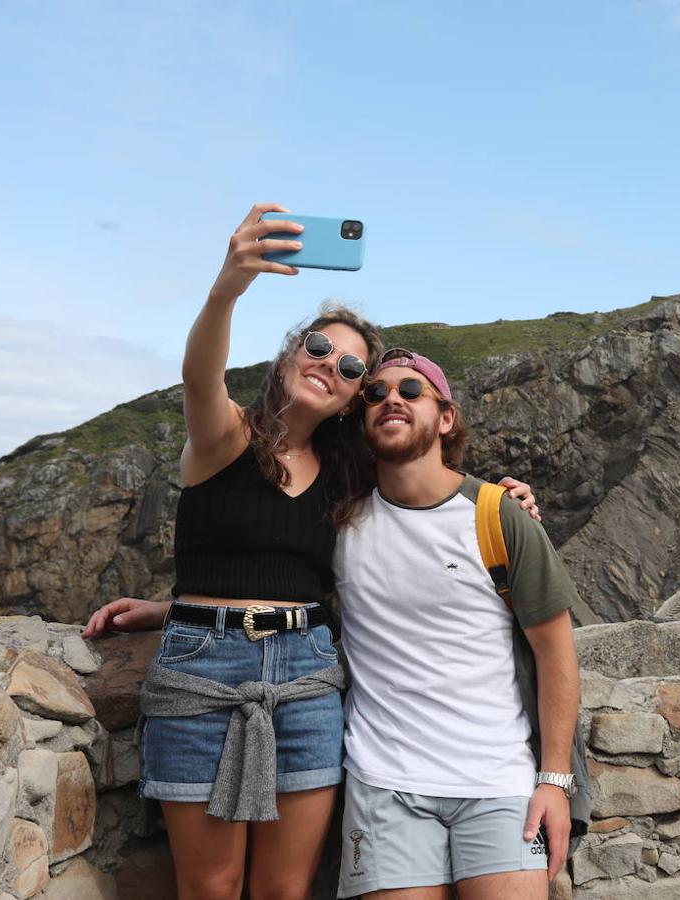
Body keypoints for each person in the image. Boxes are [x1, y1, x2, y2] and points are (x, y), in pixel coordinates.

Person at [83, 204, 539, 900]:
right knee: (211, 886)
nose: (331, 365)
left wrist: (506, 500)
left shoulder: (347, 483)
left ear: (355, 399)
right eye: (319, 349)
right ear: (291, 355)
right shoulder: (225, 438)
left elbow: (424, 491)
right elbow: (199, 376)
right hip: (200, 670)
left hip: (305, 676)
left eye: (352, 366)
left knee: (284, 891)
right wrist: (228, 285)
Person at [333, 349, 590, 900]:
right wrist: (172, 610)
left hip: (500, 783)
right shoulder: (340, 524)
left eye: (410, 390)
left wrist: (554, 781)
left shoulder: (498, 515)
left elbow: (555, 652)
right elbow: (276, 585)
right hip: (384, 785)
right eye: (375, 394)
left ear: (445, 417)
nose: (391, 400)